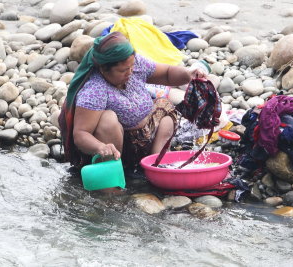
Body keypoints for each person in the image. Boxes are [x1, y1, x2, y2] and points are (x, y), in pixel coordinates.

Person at [59, 31, 206, 176]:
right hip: (118, 147)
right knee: (107, 119)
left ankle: (155, 166)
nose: (130, 72)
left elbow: (166, 74)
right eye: (123, 70)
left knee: (164, 105)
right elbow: (81, 134)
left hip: (145, 136)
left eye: (131, 66)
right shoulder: (94, 90)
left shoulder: (135, 64)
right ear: (104, 69)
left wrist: (189, 75)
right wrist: (101, 147)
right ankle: (113, 175)